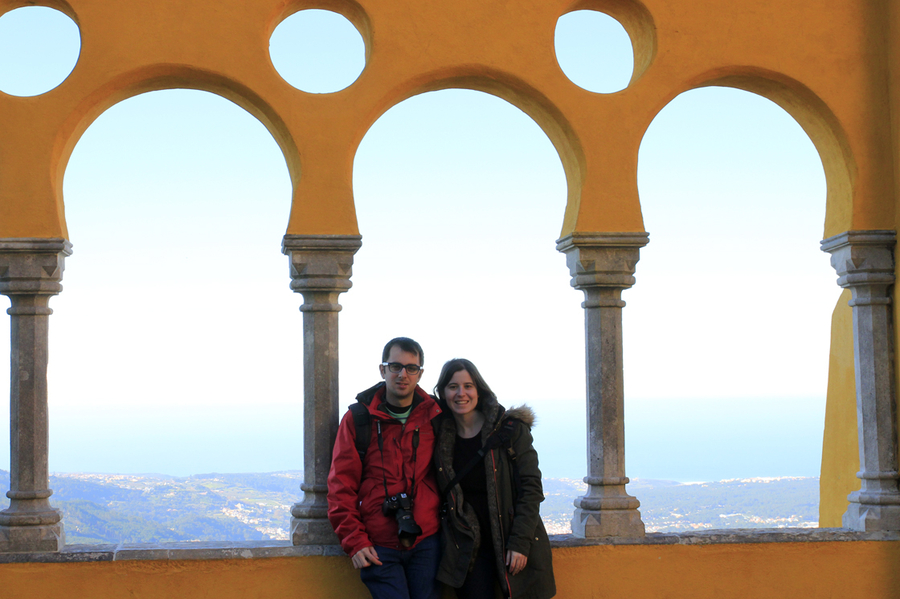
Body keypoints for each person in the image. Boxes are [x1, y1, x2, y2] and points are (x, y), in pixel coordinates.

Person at [327, 337, 444, 599]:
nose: (403, 374)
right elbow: (340, 487)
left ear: (420, 374)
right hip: (378, 544)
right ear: (383, 370)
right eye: (395, 366)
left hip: (426, 540)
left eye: (411, 368)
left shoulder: (434, 417)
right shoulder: (359, 419)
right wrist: (355, 542)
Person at [433, 358, 556, 599]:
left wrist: (520, 543)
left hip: (512, 539)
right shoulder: (439, 434)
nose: (461, 393)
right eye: (452, 386)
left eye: (468, 386)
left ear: (479, 390)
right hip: (469, 549)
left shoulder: (510, 430)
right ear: (443, 392)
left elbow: (531, 488)